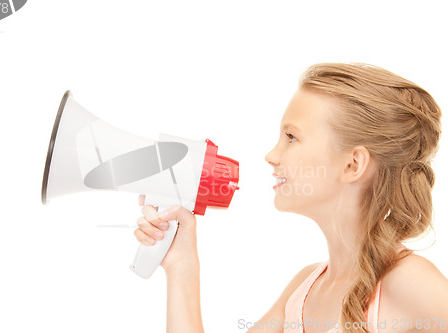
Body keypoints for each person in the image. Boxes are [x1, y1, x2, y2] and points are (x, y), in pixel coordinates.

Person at [133, 63, 448, 333]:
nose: (271, 155)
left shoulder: (409, 282)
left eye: (292, 137)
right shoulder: (303, 291)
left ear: (353, 164)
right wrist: (182, 266)